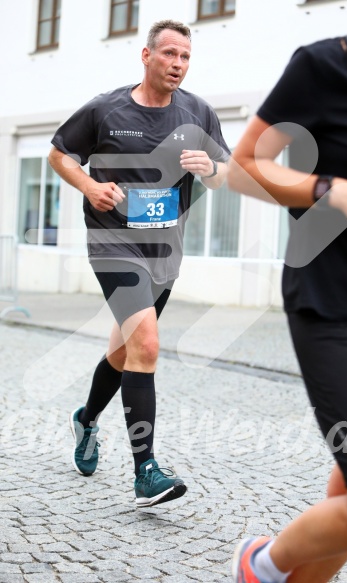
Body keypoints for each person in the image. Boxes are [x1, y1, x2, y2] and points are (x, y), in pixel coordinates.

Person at [228, 1, 347, 581]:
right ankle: (261, 564)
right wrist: (326, 187)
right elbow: (242, 166)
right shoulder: (324, 67)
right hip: (334, 308)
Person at [48, 19, 229, 508]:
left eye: (185, 57)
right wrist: (89, 186)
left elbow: (223, 176)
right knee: (147, 343)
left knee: (127, 352)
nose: (178, 64)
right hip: (112, 245)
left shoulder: (199, 113)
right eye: (169, 54)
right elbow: (59, 154)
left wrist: (209, 168)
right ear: (146, 56)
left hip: (164, 252)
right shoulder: (107, 108)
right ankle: (145, 471)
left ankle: (86, 420)